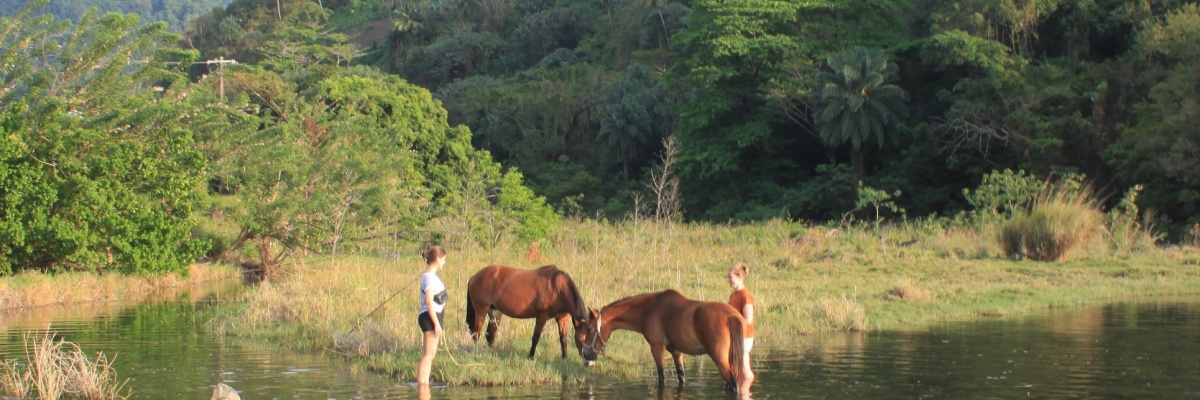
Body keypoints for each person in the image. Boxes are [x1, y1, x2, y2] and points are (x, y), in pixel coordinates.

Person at [416, 245, 447, 386]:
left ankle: (424, 385)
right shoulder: (429, 278)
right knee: (428, 355)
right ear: (437, 259)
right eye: (443, 260)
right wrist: (436, 324)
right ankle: (422, 387)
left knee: (431, 355)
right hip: (430, 317)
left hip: (432, 316)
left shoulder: (430, 276)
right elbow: (429, 303)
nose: (444, 263)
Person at [727, 262, 756, 387]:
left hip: (745, 336)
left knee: (745, 370)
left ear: (739, 277)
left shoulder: (745, 296)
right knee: (738, 368)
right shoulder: (733, 295)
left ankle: (745, 393)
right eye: (728, 277)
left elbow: (748, 320)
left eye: (731, 277)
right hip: (736, 335)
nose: (729, 280)